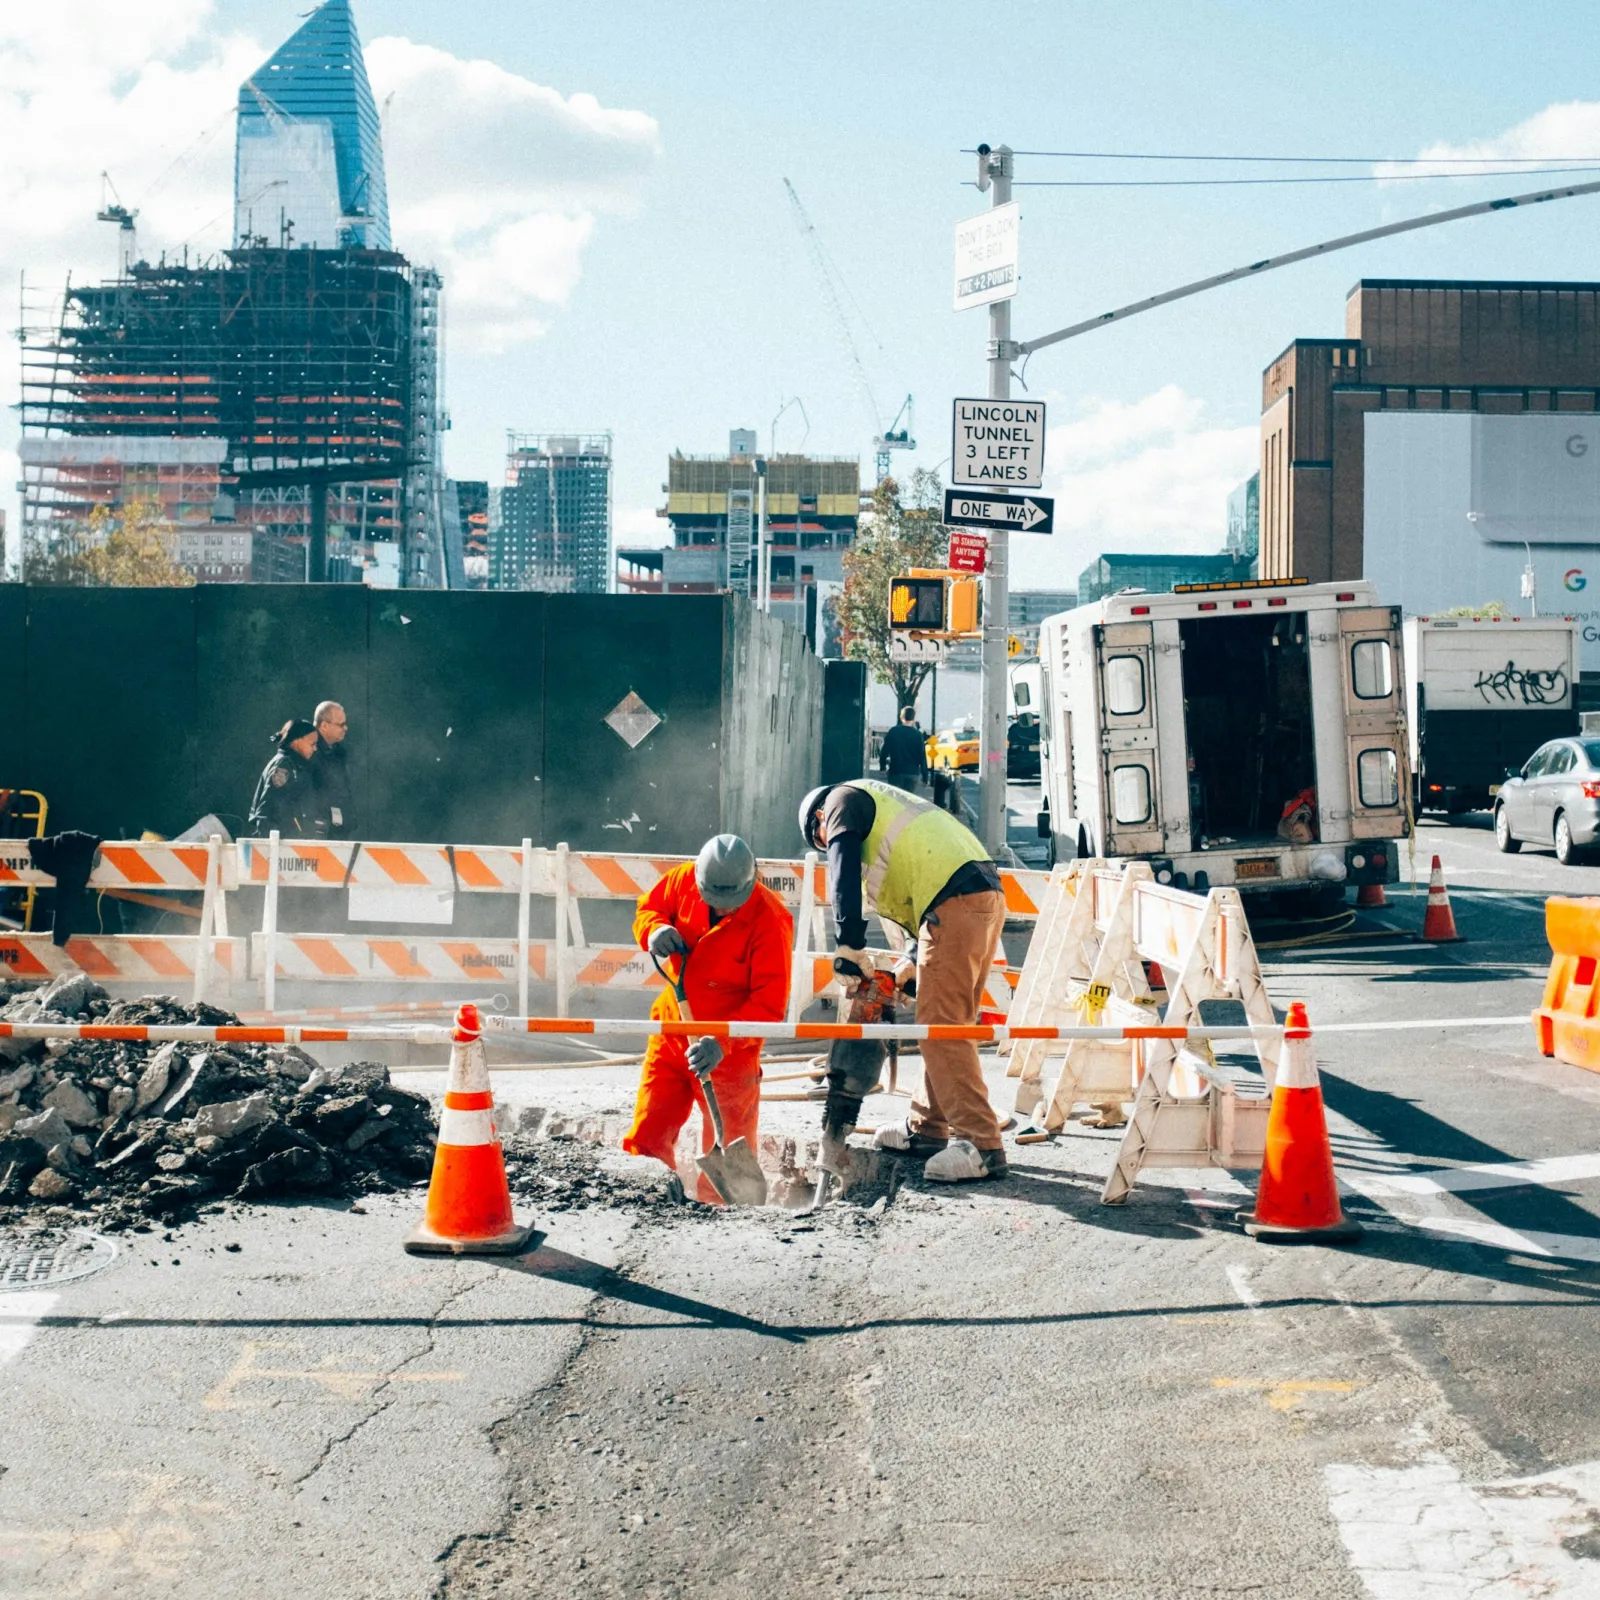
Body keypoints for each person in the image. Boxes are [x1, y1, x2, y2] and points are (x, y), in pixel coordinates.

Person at [798, 777, 1008, 1182]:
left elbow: (841, 863)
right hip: (976, 894)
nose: (827, 846)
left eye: (822, 840)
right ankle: (926, 1128)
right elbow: (922, 877)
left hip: (957, 900)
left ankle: (982, 1144)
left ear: (820, 819)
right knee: (943, 1020)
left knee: (941, 1027)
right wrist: (913, 959)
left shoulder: (841, 800)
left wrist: (849, 945)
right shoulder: (888, 807)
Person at [623, 835, 793, 1203]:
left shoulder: (770, 920)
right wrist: (653, 930)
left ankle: (721, 1215)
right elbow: (647, 909)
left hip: (729, 1053)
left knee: (728, 1137)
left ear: (749, 883)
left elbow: (769, 1005)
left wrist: (722, 1042)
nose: (721, 907)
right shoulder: (682, 880)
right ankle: (644, 1198)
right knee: (650, 1127)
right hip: (673, 1031)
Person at [248, 720, 321, 837]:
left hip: (288, 843)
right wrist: (271, 847)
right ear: (296, 741)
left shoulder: (294, 765)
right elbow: (267, 811)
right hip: (281, 845)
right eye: (312, 744)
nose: (315, 749)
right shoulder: (283, 766)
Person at [310, 700, 355, 839]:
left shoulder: (339, 752)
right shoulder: (309, 751)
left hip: (337, 829)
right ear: (324, 726)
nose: (345, 728)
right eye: (341, 724)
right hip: (318, 830)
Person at [878, 705, 929, 793]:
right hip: (912, 772)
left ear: (901, 717)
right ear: (913, 718)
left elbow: (884, 750)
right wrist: (925, 777)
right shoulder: (917, 735)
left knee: (895, 800)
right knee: (908, 801)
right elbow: (922, 756)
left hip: (896, 770)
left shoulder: (893, 731)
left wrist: (882, 766)